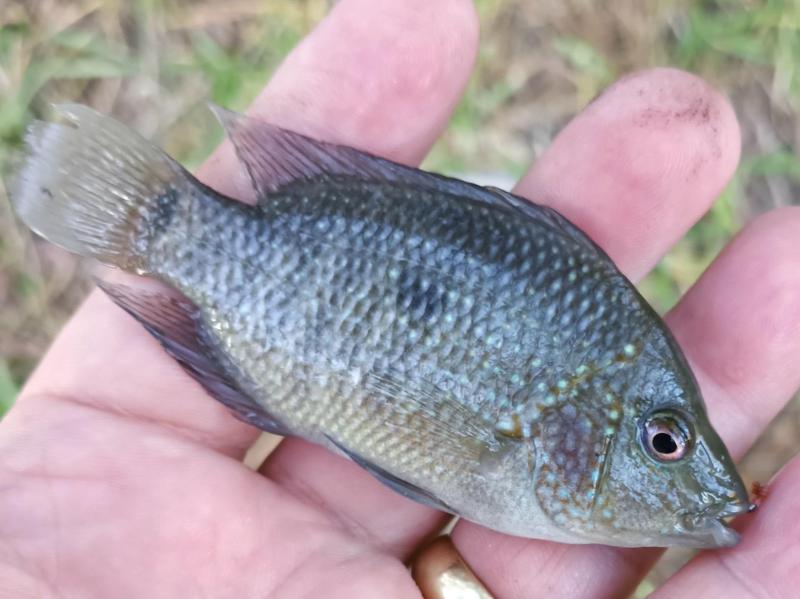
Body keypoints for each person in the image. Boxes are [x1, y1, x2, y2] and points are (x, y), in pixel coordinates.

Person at [1, 1, 798, 597]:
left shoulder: (555, 447)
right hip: (291, 289)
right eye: (666, 440)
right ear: (580, 414)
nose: (683, 466)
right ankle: (155, 221)